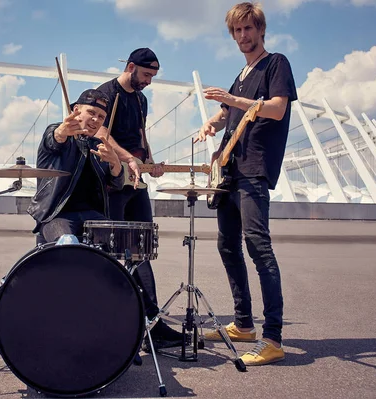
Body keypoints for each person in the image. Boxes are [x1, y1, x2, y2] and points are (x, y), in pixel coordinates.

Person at [195, 2, 297, 366]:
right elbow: (230, 113)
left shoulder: (276, 64)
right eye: (237, 31)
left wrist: (231, 98)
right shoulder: (242, 73)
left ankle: (273, 338)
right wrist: (212, 122)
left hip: (254, 169)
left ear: (260, 30)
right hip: (229, 171)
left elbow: (275, 108)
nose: (242, 36)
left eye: (248, 29)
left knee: (258, 247)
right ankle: (243, 324)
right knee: (227, 247)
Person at [96, 48, 187, 350]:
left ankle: (152, 326)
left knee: (141, 249)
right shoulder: (106, 93)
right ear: (131, 67)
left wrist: (150, 163)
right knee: (109, 252)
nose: (149, 81)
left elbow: (140, 138)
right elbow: (100, 133)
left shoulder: (141, 99)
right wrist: (127, 160)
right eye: (146, 75)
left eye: (153, 77)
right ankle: (107, 320)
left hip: (136, 182)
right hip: (112, 182)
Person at [27, 89, 123, 242]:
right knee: (68, 242)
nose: (96, 119)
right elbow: (53, 140)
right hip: (56, 215)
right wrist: (61, 133)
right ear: (76, 110)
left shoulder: (99, 146)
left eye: (101, 117)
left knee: (118, 240)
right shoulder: (56, 131)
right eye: (91, 112)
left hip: (92, 215)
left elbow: (116, 185)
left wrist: (115, 163)